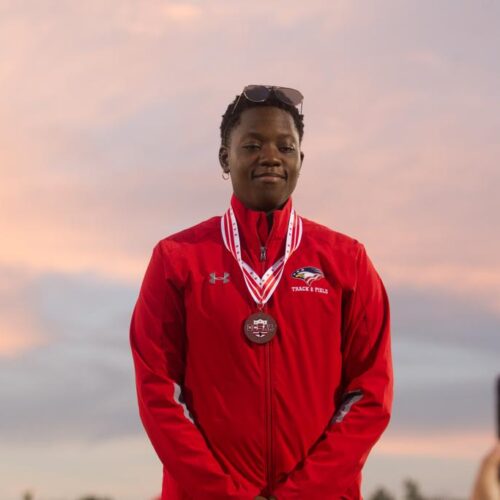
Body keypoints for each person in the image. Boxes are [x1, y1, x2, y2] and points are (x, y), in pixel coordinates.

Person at [129, 84, 393, 499]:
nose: (270, 157)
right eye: (252, 145)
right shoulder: (177, 260)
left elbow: (368, 394)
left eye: (285, 147)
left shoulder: (347, 262)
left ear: (300, 160)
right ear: (224, 157)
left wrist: (300, 494)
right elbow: (158, 393)